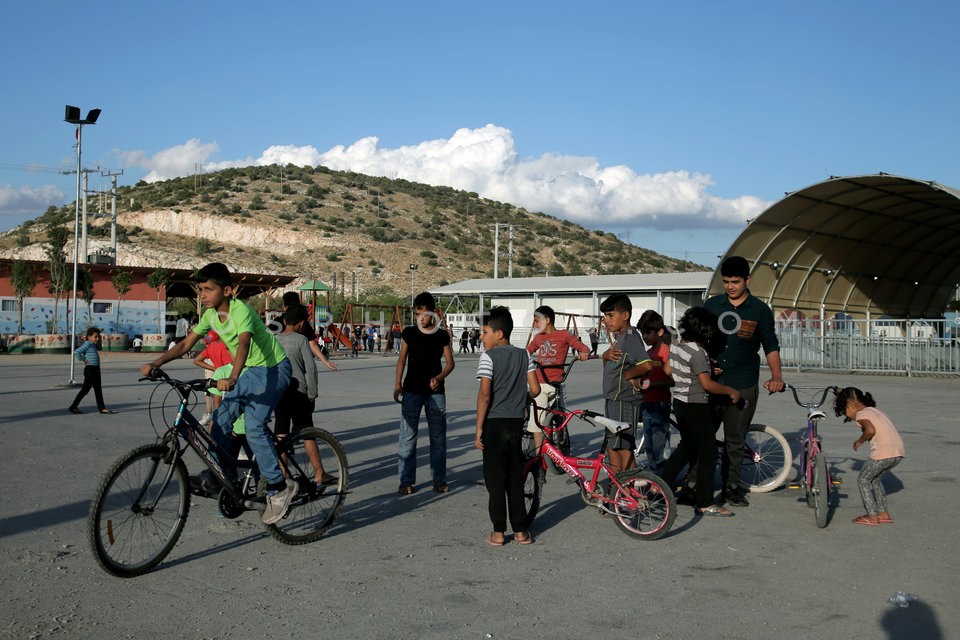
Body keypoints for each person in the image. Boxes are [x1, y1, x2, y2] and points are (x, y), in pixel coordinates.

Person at [139, 262, 297, 525]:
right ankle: (223, 477)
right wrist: (157, 363)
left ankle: (279, 487)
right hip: (247, 371)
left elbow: (244, 344)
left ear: (227, 290)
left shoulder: (241, 311)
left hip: (273, 368)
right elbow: (186, 344)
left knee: (255, 427)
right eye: (200, 289)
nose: (203, 294)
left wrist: (232, 377)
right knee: (220, 420)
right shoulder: (210, 316)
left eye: (208, 289)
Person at [704, 255, 785, 508]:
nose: (730, 286)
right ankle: (698, 485)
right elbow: (696, 340)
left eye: (735, 281)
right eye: (726, 281)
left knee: (735, 441)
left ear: (747, 280)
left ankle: (731, 489)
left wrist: (777, 376)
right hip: (712, 383)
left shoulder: (760, 310)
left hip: (743, 383)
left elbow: (771, 346)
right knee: (703, 436)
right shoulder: (711, 306)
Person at [659, 307, 740, 517]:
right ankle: (704, 502)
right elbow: (707, 385)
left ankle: (658, 487)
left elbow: (668, 370)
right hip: (696, 405)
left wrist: (698, 369)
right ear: (705, 331)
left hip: (679, 403)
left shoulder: (677, 345)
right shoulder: (698, 352)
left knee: (686, 448)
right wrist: (730, 391)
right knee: (709, 454)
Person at [475, 306, 540, 546]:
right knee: (515, 477)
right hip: (515, 423)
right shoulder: (525, 355)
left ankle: (499, 532)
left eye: (484, 332)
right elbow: (535, 389)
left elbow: (484, 395)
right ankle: (521, 531)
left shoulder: (488, 357)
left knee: (495, 479)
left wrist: (478, 428)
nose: (482, 337)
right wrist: (521, 399)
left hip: (493, 423)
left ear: (499, 333)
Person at [393, 292, 455, 494]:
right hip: (411, 390)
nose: (421, 317)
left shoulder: (441, 335)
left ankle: (439, 478)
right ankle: (406, 480)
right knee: (407, 437)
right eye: (417, 313)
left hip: (436, 393)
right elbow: (402, 360)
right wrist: (397, 384)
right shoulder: (409, 333)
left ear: (434, 313)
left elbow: (450, 363)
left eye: (425, 313)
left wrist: (439, 377)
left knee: (438, 438)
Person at [275, 305, 337, 486]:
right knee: (307, 432)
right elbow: (310, 368)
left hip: (279, 392)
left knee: (281, 432)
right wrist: (312, 393)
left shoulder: (274, 339)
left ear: (284, 321)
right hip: (299, 393)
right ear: (302, 323)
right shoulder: (301, 340)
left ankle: (284, 474)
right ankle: (319, 473)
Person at [833, 387, 905, 526]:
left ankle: (871, 515)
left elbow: (870, 430)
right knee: (875, 480)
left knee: (863, 480)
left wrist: (859, 441)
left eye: (845, 411)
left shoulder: (861, 415)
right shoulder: (875, 410)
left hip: (883, 453)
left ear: (851, 404)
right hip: (898, 452)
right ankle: (883, 513)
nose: (847, 416)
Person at [599, 294, 652, 474]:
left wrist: (630, 374)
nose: (606, 320)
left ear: (625, 315)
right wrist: (605, 356)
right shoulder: (621, 337)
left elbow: (646, 364)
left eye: (610, 315)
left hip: (624, 400)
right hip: (613, 398)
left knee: (624, 448)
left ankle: (632, 491)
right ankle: (616, 488)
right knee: (613, 446)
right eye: (605, 316)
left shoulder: (630, 336)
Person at [525, 305, 590, 452]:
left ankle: (560, 443)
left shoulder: (564, 335)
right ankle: (538, 456)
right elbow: (527, 352)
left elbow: (583, 347)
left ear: (547, 320)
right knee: (538, 421)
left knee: (561, 415)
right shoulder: (538, 338)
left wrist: (584, 353)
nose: (535, 325)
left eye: (537, 321)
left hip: (558, 382)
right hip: (540, 383)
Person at [635, 310, 674, 473]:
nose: (644, 337)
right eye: (642, 333)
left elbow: (672, 380)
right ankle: (654, 477)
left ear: (659, 332)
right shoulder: (648, 353)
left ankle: (663, 478)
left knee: (660, 444)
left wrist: (653, 384)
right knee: (649, 444)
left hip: (660, 403)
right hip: (647, 403)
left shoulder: (667, 351)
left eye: (648, 333)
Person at [68, 327, 113, 415]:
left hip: (96, 369)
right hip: (90, 370)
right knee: (85, 389)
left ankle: (102, 408)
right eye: (95, 337)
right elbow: (76, 352)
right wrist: (83, 359)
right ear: (89, 336)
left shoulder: (92, 345)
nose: (97, 339)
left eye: (98, 337)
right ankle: (73, 406)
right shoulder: (88, 344)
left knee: (98, 389)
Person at [192, 331, 232, 428]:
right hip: (229, 377)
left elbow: (196, 360)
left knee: (216, 406)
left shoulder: (210, 347)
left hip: (218, 376)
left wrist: (214, 369)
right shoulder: (226, 346)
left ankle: (210, 417)